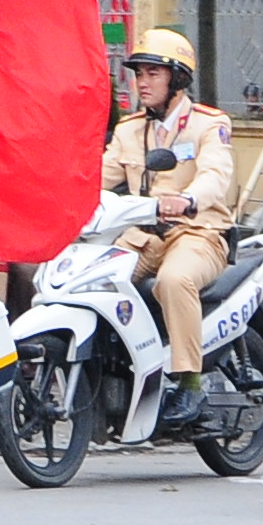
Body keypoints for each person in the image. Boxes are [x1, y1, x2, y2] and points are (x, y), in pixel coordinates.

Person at [102, 28, 237, 442]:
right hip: (144, 235)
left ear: (177, 78)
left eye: (153, 73)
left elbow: (216, 175)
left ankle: (190, 384)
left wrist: (189, 199)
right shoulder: (129, 130)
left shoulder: (208, 125)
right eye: (139, 73)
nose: (142, 82)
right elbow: (100, 180)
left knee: (174, 281)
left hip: (198, 232)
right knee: (93, 278)